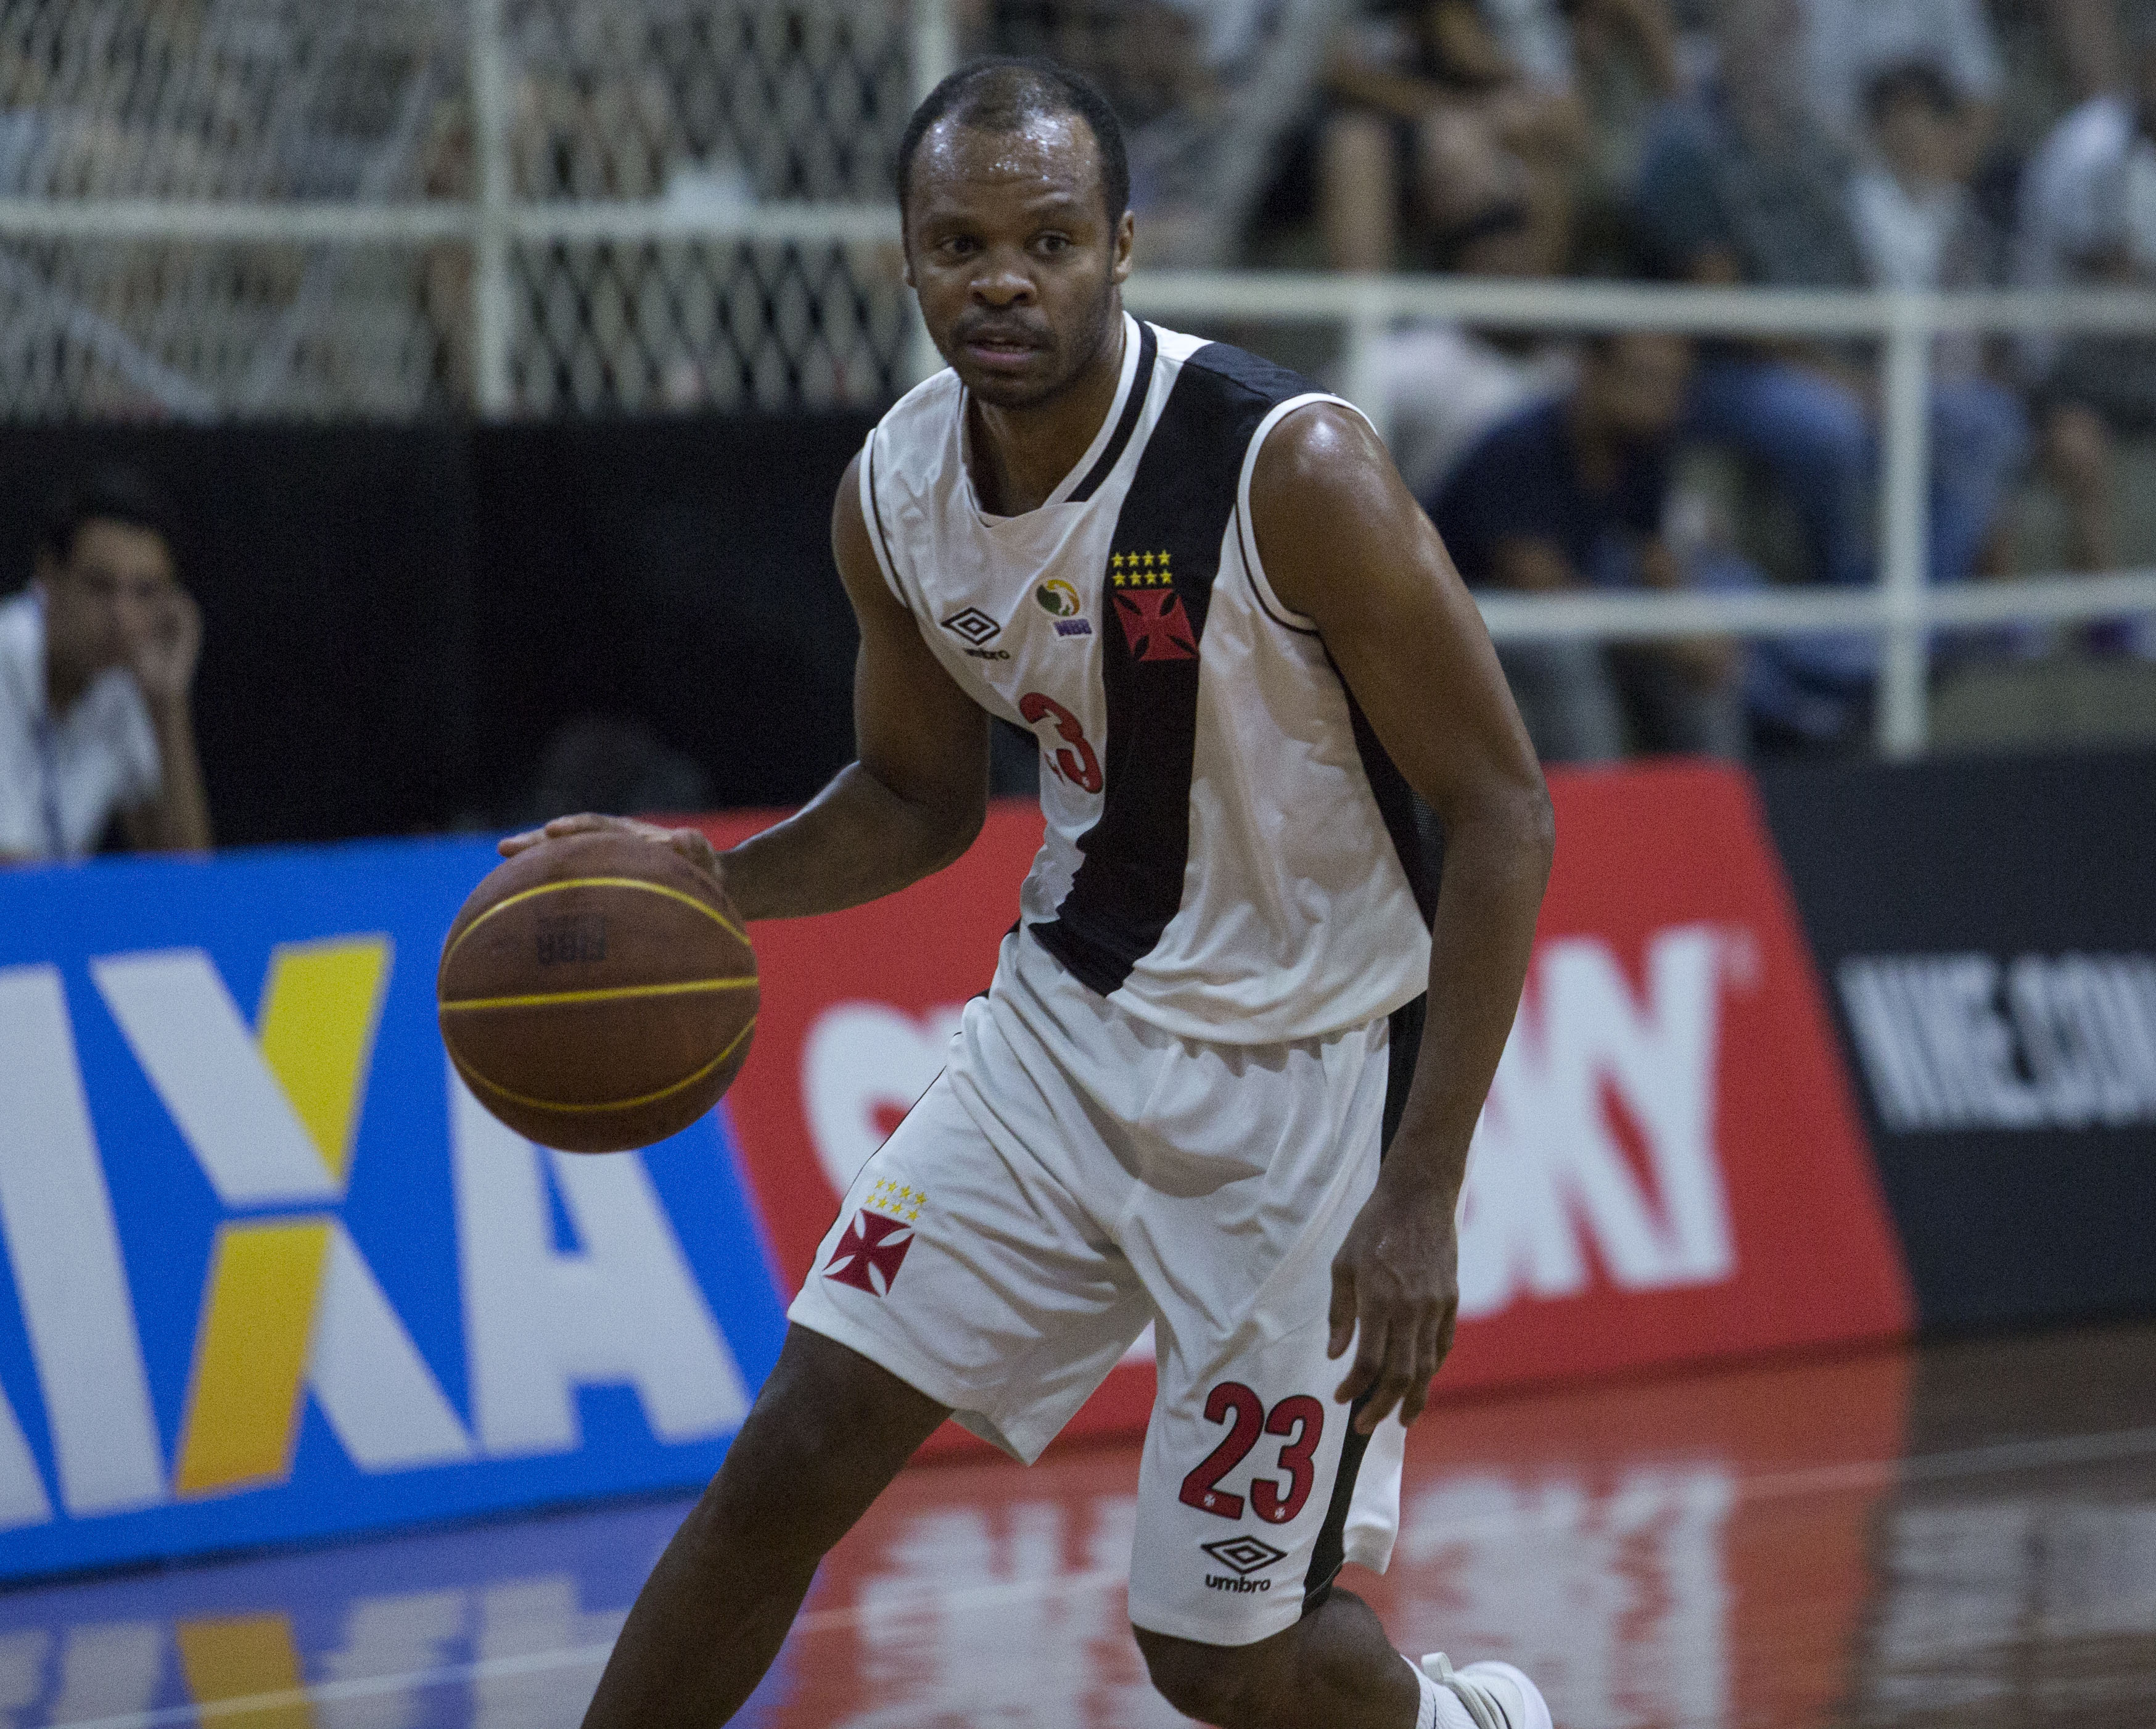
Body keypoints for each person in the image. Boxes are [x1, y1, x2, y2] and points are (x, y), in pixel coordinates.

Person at [507, 56, 1557, 1729]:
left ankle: (1461, 1721)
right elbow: (919, 799)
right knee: (790, 1454)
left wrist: (1421, 1185)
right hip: (1062, 1043)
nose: (1003, 278)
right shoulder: (896, 494)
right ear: (906, 258)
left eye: (1049, 240)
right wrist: (711, 884)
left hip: (1309, 1089)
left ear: (1123, 247)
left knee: (1221, 1663)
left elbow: (1502, 809)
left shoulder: (1293, 470)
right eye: (962, 242)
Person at [1428, 330, 1747, 761]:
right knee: (1565, 647)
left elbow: (1655, 560)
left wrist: (1688, 629)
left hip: (1577, 603)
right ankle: (1598, 796)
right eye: (1645, 379)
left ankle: (1716, 795)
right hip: (1467, 612)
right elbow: (1538, 584)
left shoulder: (1643, 446)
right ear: (1592, 371)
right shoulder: (1518, 448)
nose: (1663, 398)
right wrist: (1658, 637)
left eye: (1674, 383)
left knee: (1705, 649)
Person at [0, 469, 212, 863]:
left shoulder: (123, 683)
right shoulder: (6, 653)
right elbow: (11, 880)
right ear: (49, 576)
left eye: (144, 592)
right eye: (99, 586)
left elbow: (186, 873)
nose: (122, 617)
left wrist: (169, 704)